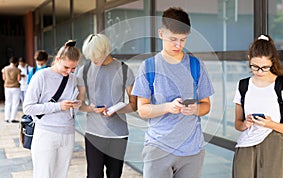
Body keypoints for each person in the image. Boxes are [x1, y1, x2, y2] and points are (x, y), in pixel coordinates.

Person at [131, 7, 214, 178]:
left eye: (183, 40)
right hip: (158, 148)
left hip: (192, 151)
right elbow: (143, 110)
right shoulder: (148, 67)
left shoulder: (196, 65)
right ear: (161, 34)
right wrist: (168, 107)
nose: (178, 45)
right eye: (173, 39)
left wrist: (195, 109)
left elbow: (206, 106)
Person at [232, 34, 283, 178]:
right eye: (255, 67)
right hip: (245, 147)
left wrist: (270, 124)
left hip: (272, 144)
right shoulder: (243, 85)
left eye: (265, 67)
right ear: (249, 58)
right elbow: (237, 124)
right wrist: (245, 124)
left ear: (272, 62)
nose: (259, 72)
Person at [77, 33, 137, 178]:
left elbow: (134, 105)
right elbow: (80, 104)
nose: (93, 60)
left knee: (115, 175)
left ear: (107, 50)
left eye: (96, 55)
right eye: (90, 56)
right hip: (93, 134)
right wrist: (90, 108)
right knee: (94, 175)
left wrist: (117, 109)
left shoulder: (124, 70)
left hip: (118, 134)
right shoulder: (84, 71)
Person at [23, 40, 81, 178]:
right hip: (45, 133)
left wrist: (75, 105)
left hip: (68, 133)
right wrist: (58, 106)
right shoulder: (41, 76)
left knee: (61, 174)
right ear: (57, 60)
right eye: (66, 67)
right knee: (43, 174)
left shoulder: (73, 79)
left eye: (73, 68)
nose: (69, 72)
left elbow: (70, 107)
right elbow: (28, 108)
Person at [1, 57, 21, 123]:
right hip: (16, 87)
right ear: (16, 62)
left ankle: (6, 118)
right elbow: (19, 79)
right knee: (15, 103)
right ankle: (13, 118)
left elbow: (4, 78)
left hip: (7, 87)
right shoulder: (17, 69)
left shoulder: (5, 69)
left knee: (8, 102)